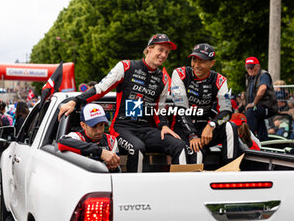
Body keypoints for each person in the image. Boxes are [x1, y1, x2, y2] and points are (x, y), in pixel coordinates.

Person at [58, 34, 187, 172]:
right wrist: (74, 101)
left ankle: (181, 187)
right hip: (122, 127)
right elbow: (100, 89)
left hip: (145, 129)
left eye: (167, 52)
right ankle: (133, 190)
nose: (164, 55)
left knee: (179, 145)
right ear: (149, 49)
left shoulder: (163, 79)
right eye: (160, 50)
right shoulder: (126, 66)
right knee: (137, 148)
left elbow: (159, 108)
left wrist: (164, 126)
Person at [171, 43, 240, 165]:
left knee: (230, 126)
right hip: (183, 127)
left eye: (202, 61)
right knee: (196, 153)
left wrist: (211, 125)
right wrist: (192, 135)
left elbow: (227, 111)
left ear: (211, 63)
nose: (196, 65)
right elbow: (180, 108)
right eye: (194, 59)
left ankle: (230, 169)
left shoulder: (219, 80)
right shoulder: (180, 73)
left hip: (205, 127)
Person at [58, 104, 120, 172]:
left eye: (101, 125)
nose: (99, 131)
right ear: (83, 125)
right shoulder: (77, 137)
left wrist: (113, 166)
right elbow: (61, 142)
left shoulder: (111, 140)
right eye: (94, 126)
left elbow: (116, 170)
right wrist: (99, 152)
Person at [244, 56, 278, 141]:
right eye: (247, 67)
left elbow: (263, 88)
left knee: (251, 112)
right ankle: (263, 142)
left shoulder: (264, 75)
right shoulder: (249, 78)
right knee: (258, 121)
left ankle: (249, 140)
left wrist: (253, 103)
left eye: (251, 67)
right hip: (258, 107)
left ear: (257, 66)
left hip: (267, 107)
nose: (249, 70)